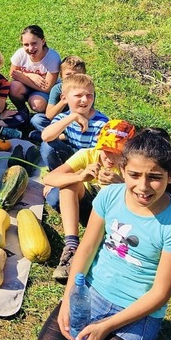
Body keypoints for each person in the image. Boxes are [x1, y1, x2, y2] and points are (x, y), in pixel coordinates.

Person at [36, 128, 171, 340]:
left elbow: (161, 293)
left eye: (154, 177)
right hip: (91, 292)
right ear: (122, 170)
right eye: (134, 175)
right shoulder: (109, 196)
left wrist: (106, 326)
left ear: (170, 175)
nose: (143, 187)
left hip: (137, 311)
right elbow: (87, 249)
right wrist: (69, 299)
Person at [42, 120, 136, 280]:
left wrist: (121, 184)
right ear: (99, 145)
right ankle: (71, 247)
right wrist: (79, 175)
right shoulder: (87, 155)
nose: (111, 158)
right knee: (69, 185)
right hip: (89, 208)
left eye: (118, 153)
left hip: (113, 218)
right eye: (107, 150)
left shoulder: (131, 166)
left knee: (56, 195)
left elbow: (142, 198)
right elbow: (49, 178)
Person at [40, 74, 109, 172]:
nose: (84, 100)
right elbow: (46, 136)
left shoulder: (101, 122)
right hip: (72, 154)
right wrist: (73, 117)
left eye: (89, 95)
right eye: (78, 95)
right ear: (64, 98)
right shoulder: (64, 117)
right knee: (47, 145)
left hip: (90, 161)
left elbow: (97, 155)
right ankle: (56, 173)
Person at [30, 56, 87, 138]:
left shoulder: (87, 90)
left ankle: (57, 137)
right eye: (68, 74)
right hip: (57, 121)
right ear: (61, 75)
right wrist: (63, 101)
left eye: (77, 74)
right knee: (37, 119)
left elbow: (86, 114)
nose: (72, 77)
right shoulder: (57, 89)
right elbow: (49, 115)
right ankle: (61, 136)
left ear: (83, 75)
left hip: (76, 121)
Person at [9, 25, 61, 114]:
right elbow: (13, 73)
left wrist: (22, 77)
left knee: (37, 104)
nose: (30, 48)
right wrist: (31, 76)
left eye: (34, 43)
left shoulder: (53, 57)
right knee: (13, 87)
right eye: (26, 44)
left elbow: (46, 88)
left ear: (43, 41)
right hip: (27, 86)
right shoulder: (20, 54)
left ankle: (47, 116)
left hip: (44, 92)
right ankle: (23, 112)